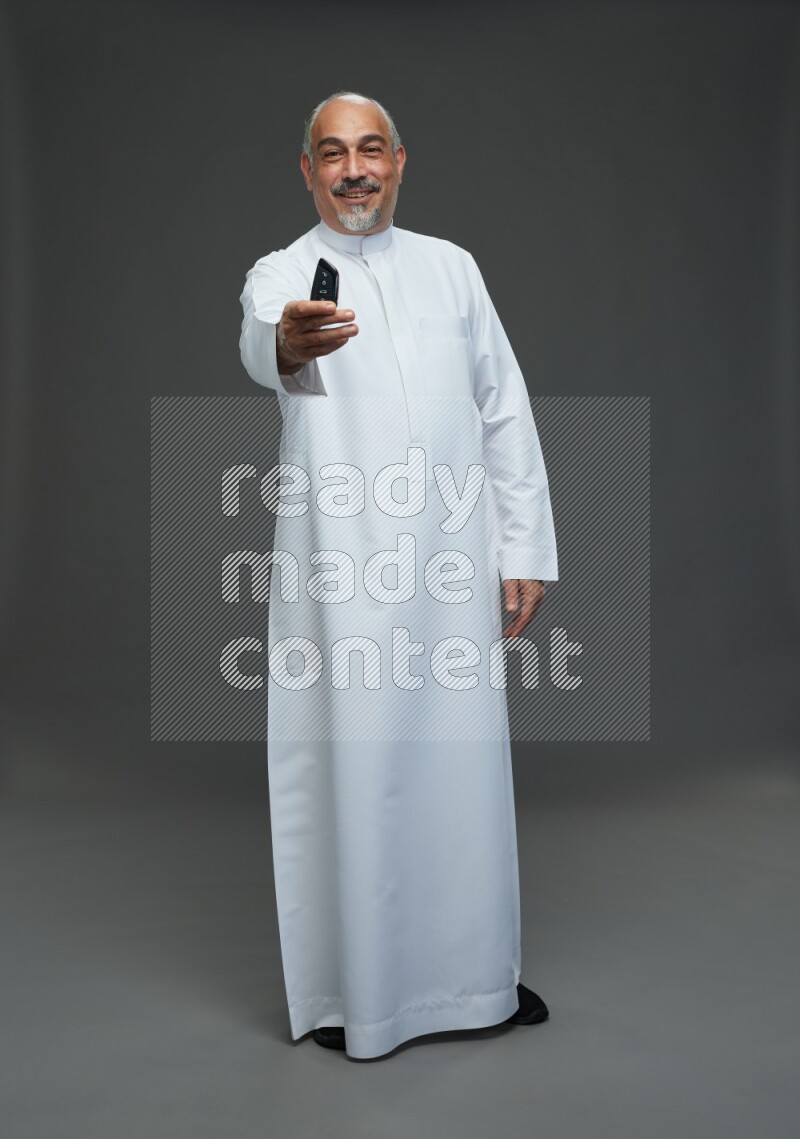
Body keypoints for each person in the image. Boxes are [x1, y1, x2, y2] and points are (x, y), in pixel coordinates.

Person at [238, 91, 559, 1059]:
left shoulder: (451, 269)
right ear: (305, 170)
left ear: (399, 161)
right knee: (360, 769)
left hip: (452, 567)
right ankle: (361, 998)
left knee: (460, 772)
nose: (352, 170)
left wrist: (524, 546)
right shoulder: (281, 274)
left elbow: (500, 402)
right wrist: (287, 344)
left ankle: (473, 982)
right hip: (342, 577)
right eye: (331, 154)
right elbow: (266, 343)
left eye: (369, 149)